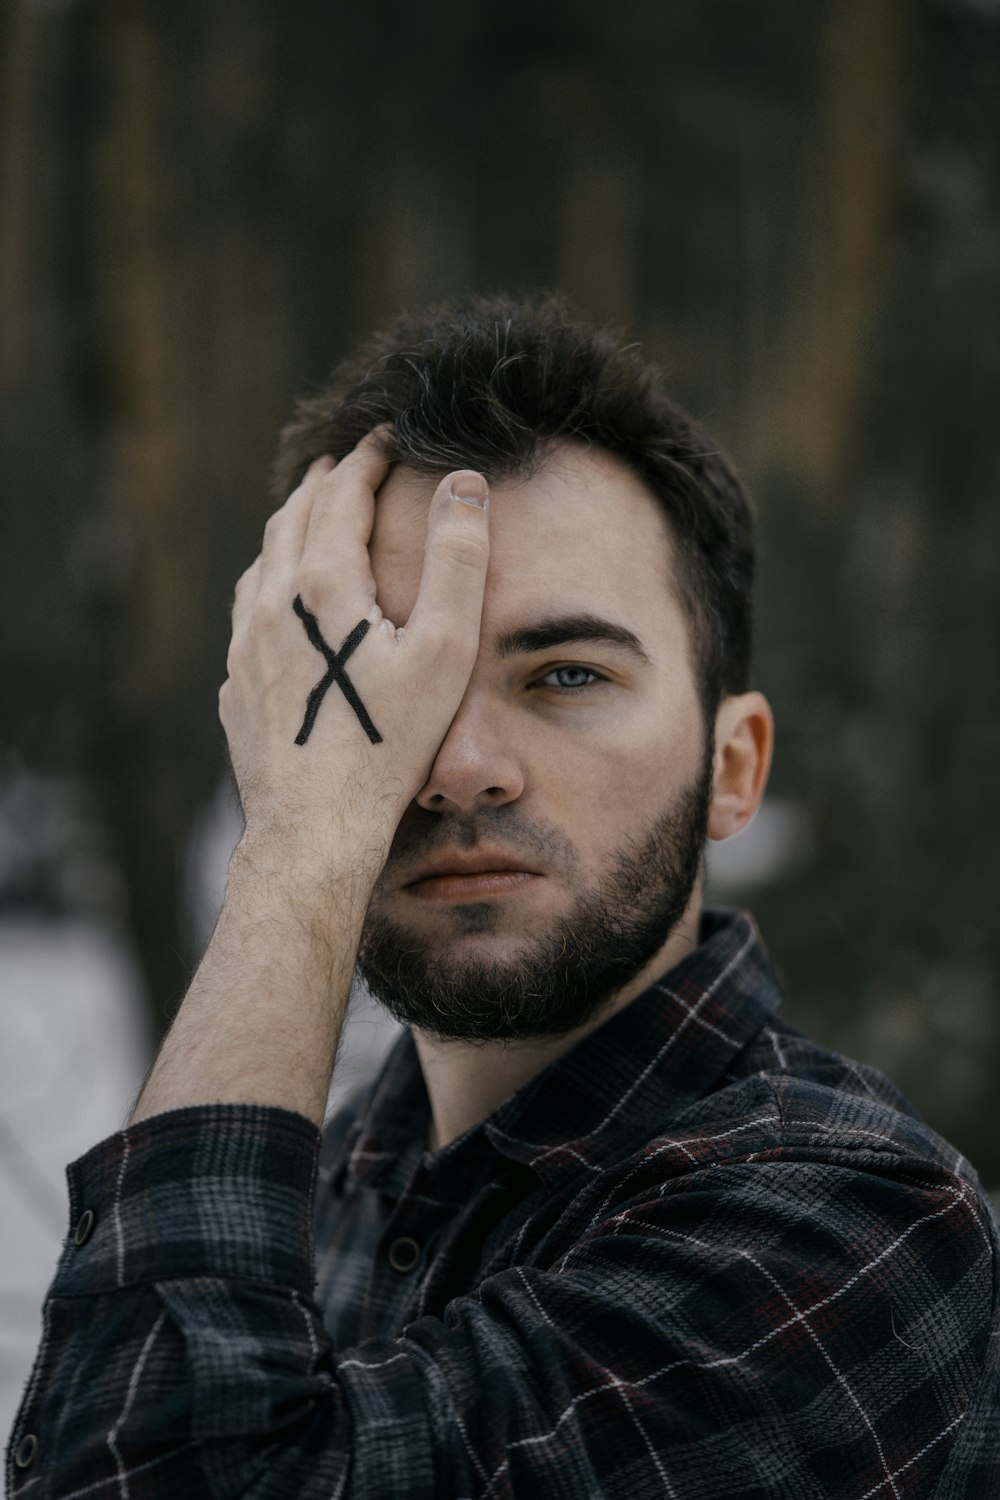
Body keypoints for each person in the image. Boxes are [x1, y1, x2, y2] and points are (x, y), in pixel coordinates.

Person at [7, 295, 999, 1499]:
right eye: (384, 672)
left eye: (565, 674)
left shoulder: (846, 1225)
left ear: (731, 770)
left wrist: (300, 850)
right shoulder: (326, 1180)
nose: (458, 761)